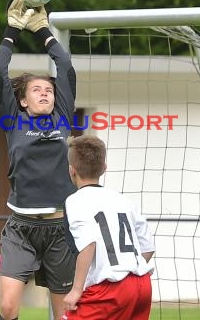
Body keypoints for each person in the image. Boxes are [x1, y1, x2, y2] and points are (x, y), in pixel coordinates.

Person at [0, 0, 77, 320]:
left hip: (60, 229)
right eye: (37, 90)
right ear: (23, 101)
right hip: (21, 228)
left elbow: (65, 66)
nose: (45, 93)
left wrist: (43, 29)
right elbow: (0, 70)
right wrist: (13, 30)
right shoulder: (14, 120)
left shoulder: (63, 118)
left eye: (49, 90)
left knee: (65, 314)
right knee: (8, 307)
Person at [62, 135, 156, 320]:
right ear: (104, 168)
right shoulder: (123, 199)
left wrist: (76, 290)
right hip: (142, 285)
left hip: (110, 289)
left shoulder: (75, 201)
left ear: (71, 170)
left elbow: (88, 245)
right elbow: (148, 246)